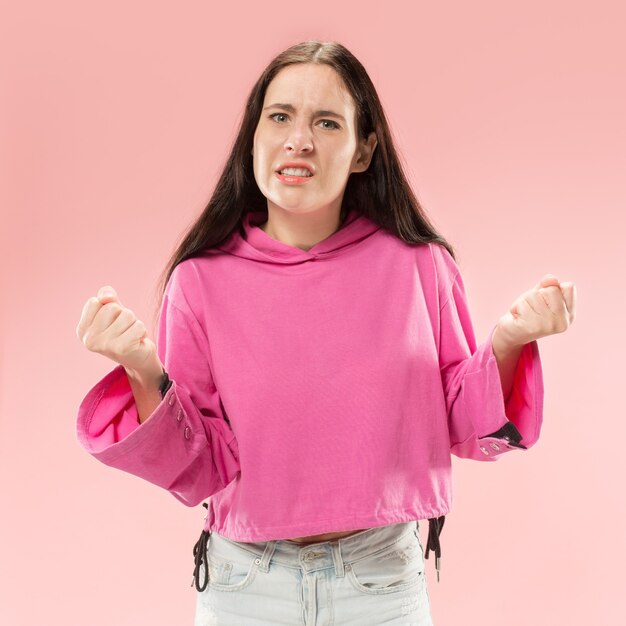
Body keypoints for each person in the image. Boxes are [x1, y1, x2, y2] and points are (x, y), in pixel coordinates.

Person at [75, 40, 576, 625]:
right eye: (280, 116)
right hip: (244, 587)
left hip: (381, 582)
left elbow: (464, 426)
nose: (299, 140)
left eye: (327, 122)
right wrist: (142, 368)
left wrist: (510, 341)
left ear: (364, 150)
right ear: (254, 137)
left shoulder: (420, 265)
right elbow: (199, 467)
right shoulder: (199, 281)